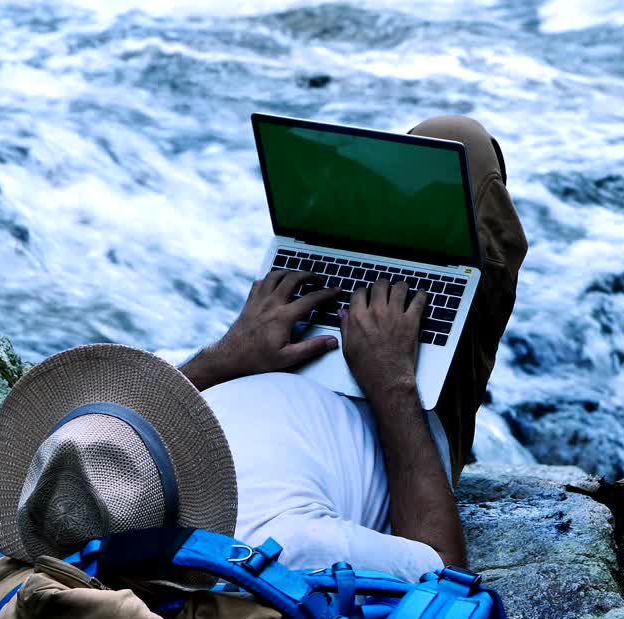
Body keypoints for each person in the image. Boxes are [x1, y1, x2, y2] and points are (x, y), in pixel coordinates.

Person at [177, 115, 527, 582]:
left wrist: (228, 356)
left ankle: (357, 248)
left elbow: (120, 411)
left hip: (267, 363)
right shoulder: (287, 546)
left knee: (408, 178)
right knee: (460, 147)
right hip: (398, 413)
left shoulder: (92, 473)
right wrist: (392, 381)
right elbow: (442, 576)